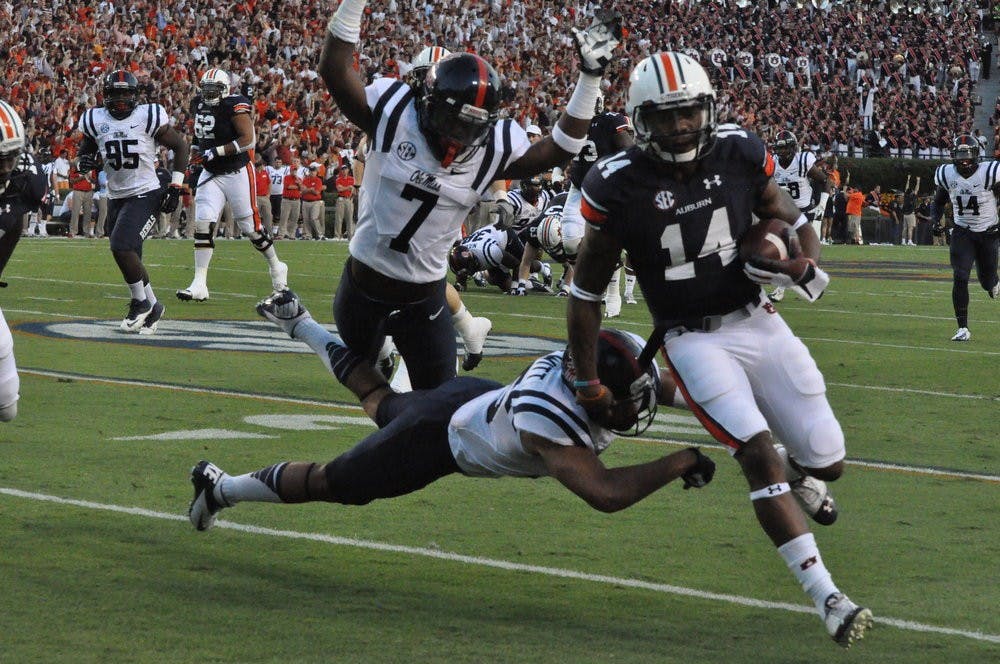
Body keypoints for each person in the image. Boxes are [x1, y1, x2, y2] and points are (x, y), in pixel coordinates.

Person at [566, 52, 872, 648]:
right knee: (755, 451)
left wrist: (803, 261)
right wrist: (586, 380)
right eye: (665, 117)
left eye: (689, 114)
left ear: (708, 111)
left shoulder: (739, 152)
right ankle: (827, 597)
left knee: (828, 459)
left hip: (757, 320)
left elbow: (793, 218)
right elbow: (584, 292)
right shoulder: (617, 184)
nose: (680, 128)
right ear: (638, 118)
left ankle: (800, 473)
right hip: (689, 337)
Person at [189, 289, 716, 532]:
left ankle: (299, 323)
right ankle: (220, 489)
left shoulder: (584, 364)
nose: (641, 409)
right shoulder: (549, 423)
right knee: (337, 480)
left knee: (381, 400)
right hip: (444, 436)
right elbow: (605, 493)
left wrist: (758, 433)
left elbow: (672, 388)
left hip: (475, 399)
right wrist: (682, 460)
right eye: (631, 402)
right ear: (594, 393)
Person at [318, 1, 621, 389]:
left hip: (424, 299)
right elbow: (334, 69)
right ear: (427, 102)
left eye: (470, 128)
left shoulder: (489, 150)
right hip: (361, 289)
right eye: (450, 120)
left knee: (436, 409)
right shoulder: (394, 115)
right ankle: (324, 334)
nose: (457, 137)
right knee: (368, 384)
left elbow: (563, 145)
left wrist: (590, 75)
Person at [76, 70, 190, 334]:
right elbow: (87, 149)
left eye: (126, 94)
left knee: (121, 245)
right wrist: (84, 161)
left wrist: (175, 186)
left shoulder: (147, 117)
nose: (120, 100)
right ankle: (153, 305)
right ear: (106, 96)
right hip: (116, 195)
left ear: (136, 96)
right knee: (131, 257)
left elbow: (181, 147)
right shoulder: (95, 119)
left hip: (146, 192)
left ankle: (140, 303)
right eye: (115, 94)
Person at [176, 69, 288, 302]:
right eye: (205, 89)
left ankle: (277, 266)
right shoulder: (199, 104)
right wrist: (196, 157)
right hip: (212, 172)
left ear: (225, 89)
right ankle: (199, 283)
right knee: (203, 222)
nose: (208, 94)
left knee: (250, 228)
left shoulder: (234, 104)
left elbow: (249, 139)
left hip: (237, 171)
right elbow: (199, 138)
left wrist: (214, 152)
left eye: (213, 90)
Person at [560, 96, 636, 313]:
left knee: (607, 242)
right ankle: (594, 281)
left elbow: (627, 146)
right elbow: (563, 149)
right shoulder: (572, 122)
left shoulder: (609, 121)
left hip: (604, 188)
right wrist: (558, 170)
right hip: (578, 188)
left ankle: (612, 293)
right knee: (570, 242)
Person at [0, 100, 47, 421]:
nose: (6, 167)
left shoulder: (26, 177)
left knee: (7, 407)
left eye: (11, 157)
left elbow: (14, 222)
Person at [929, 134, 1000, 342]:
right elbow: (939, 201)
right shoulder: (947, 174)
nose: (964, 160)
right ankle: (962, 327)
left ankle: (994, 282)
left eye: (967, 155)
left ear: (977, 155)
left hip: (988, 232)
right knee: (960, 276)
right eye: (960, 155)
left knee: (987, 282)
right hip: (962, 231)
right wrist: (935, 221)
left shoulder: (990, 172)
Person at [768, 130, 831, 301]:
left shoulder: (802, 161)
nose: (780, 152)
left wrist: (822, 205)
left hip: (804, 213)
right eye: (778, 148)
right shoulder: (773, 162)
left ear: (792, 148)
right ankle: (787, 289)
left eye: (783, 148)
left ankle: (810, 284)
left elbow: (825, 181)